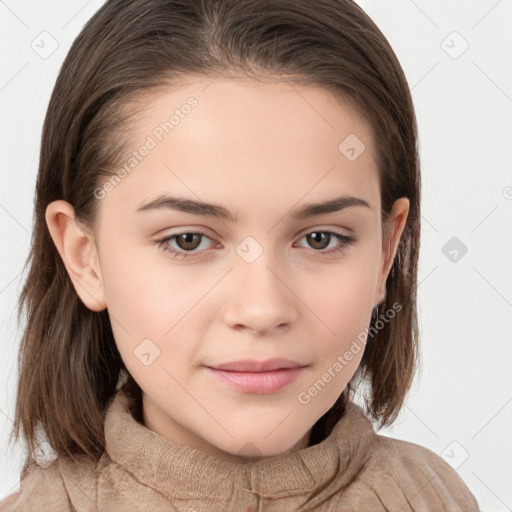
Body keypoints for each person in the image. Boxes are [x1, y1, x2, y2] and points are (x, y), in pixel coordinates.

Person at [1, 0, 480, 510]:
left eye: (321, 238)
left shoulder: (433, 497)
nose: (262, 309)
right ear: (85, 258)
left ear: (386, 251)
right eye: (188, 240)